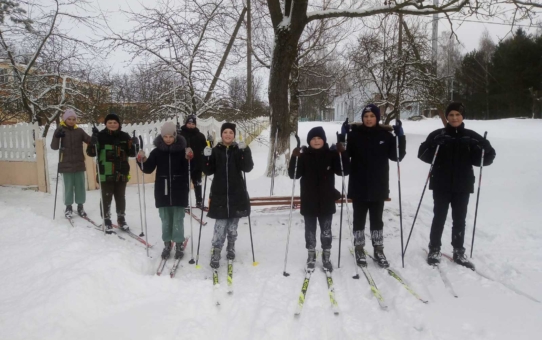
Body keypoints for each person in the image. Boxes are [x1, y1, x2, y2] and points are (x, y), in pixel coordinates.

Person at [418, 102, 496, 269]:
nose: (454, 118)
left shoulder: (471, 136)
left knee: (459, 219)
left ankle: (459, 251)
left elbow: (483, 160)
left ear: (462, 116)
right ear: (447, 116)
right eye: (451, 115)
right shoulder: (438, 135)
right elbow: (423, 155)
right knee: (439, 216)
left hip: (463, 184)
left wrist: (487, 148)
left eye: (457, 115)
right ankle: (434, 249)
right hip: (441, 183)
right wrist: (432, 144)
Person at [343, 104, 406, 268]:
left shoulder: (385, 136)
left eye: (372, 116)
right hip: (358, 185)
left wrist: (400, 137)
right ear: (362, 118)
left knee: (377, 220)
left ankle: (378, 249)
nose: (368, 119)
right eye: (366, 116)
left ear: (377, 118)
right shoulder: (355, 136)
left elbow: (396, 157)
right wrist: (341, 139)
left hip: (378, 185)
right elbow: (344, 158)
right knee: (359, 219)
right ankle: (359, 248)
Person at [288, 126, 349, 272]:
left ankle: (326, 255)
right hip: (309, 201)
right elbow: (294, 175)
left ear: (324, 140)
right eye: (313, 139)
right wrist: (294, 157)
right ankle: (311, 255)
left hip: (326, 201)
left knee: (326, 231)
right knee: (310, 230)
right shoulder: (304, 156)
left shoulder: (331, 154)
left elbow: (344, 171)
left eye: (319, 138)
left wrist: (343, 154)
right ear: (309, 141)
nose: (316, 141)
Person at [202, 122, 254, 268]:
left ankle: (231, 246)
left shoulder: (239, 150)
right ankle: (216, 250)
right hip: (219, 194)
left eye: (231, 132)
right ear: (221, 134)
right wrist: (205, 157)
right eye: (225, 132)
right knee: (220, 226)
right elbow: (208, 171)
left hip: (237, 193)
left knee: (232, 227)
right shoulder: (216, 150)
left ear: (234, 135)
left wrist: (246, 151)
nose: (228, 135)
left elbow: (247, 167)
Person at [137, 122, 190, 259]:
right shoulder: (157, 152)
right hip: (163, 190)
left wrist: (190, 158)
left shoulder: (181, 151)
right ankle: (167, 243)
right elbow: (148, 169)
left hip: (179, 189)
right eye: (165, 136)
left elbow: (190, 169)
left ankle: (178, 243)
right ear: (161, 136)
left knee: (178, 218)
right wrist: (141, 159)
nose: (168, 139)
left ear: (175, 136)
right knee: (165, 219)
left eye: (170, 136)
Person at [86, 113, 138, 231]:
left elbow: (132, 153)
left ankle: (121, 219)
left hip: (122, 171)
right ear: (106, 124)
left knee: (120, 196)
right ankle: (107, 219)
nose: (112, 125)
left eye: (115, 122)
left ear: (119, 124)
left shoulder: (125, 136)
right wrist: (92, 141)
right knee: (106, 196)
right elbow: (91, 153)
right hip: (106, 172)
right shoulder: (100, 136)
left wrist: (135, 144)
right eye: (110, 122)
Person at [50, 109, 92, 218]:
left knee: (80, 186)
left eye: (74, 119)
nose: (71, 121)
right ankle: (68, 207)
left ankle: (80, 206)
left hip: (79, 164)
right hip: (65, 164)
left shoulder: (79, 131)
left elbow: (89, 140)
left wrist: (95, 138)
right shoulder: (60, 130)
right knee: (68, 187)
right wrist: (57, 136)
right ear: (64, 119)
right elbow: (54, 147)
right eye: (69, 119)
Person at [178, 114, 207, 208]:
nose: (191, 125)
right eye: (189, 123)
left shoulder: (200, 135)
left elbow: (205, 148)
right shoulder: (180, 134)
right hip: (184, 164)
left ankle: (199, 201)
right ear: (186, 123)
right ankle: (184, 202)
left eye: (193, 123)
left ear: (195, 124)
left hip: (197, 164)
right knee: (185, 184)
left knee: (198, 183)